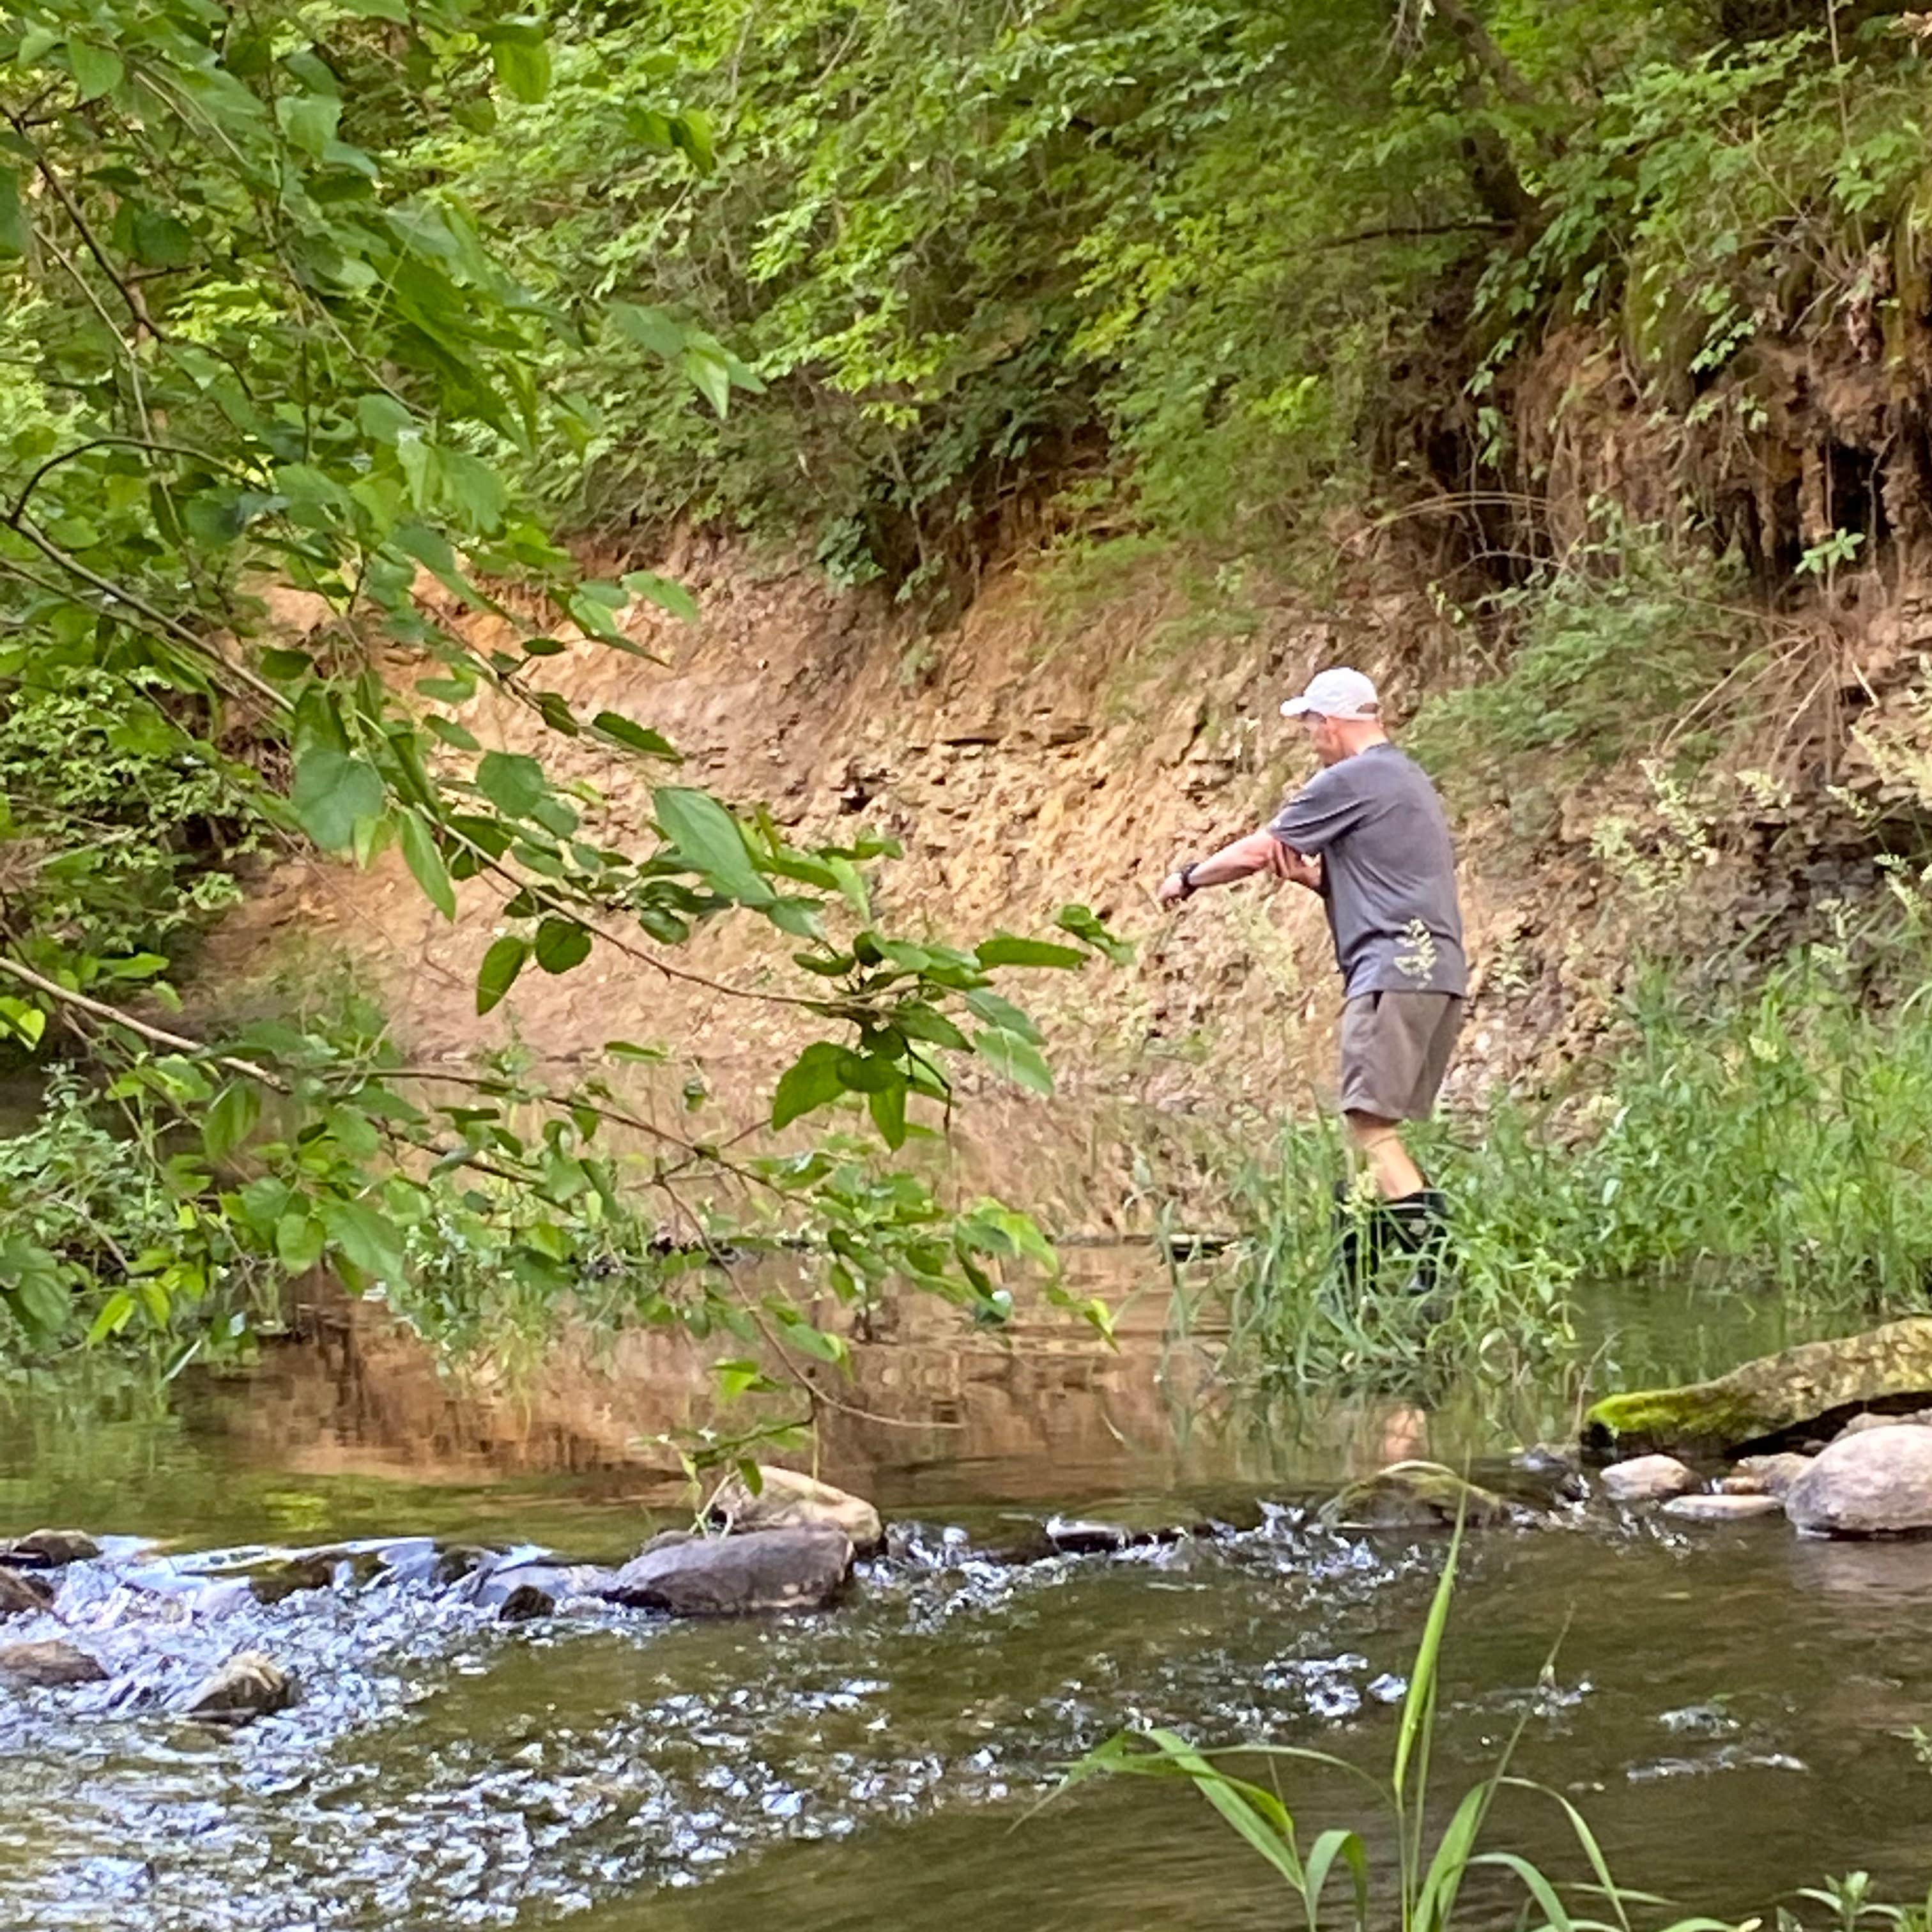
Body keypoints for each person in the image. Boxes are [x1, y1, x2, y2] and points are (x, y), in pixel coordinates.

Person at [1156, 666, 1467, 1285]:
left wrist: (1187, 877)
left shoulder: (1350, 779)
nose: (1309, 737)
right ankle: (1356, 1267)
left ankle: (1443, 1267)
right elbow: (1390, 882)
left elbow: (1253, 851)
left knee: (1369, 1125)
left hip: (1390, 970)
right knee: (1378, 1128)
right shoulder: (1407, 780)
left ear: (1333, 722)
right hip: (1438, 972)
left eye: (1310, 725)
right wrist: (1312, 879)